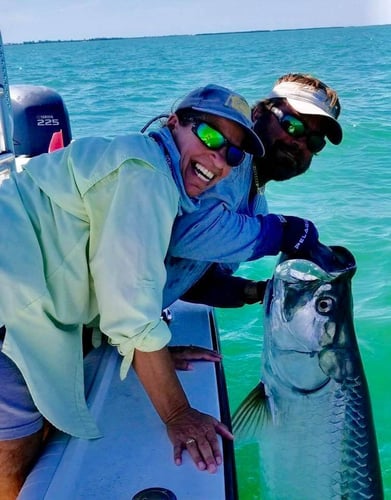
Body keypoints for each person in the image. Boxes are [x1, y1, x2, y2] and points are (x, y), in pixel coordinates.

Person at [0, 82, 321, 497]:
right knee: (14, 460)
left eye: (234, 154)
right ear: (174, 124)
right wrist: (178, 413)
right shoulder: (146, 174)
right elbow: (131, 312)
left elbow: (142, 275)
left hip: (38, 301)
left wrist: (245, 294)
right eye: (208, 136)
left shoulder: (171, 184)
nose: (219, 158)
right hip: (11, 300)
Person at [162, 74, 342, 314]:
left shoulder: (257, 208)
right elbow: (187, 236)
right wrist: (281, 232)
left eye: (315, 142)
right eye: (292, 125)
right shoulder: (222, 165)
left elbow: (194, 283)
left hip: (129, 320)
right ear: (257, 114)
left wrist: (257, 291)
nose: (300, 143)